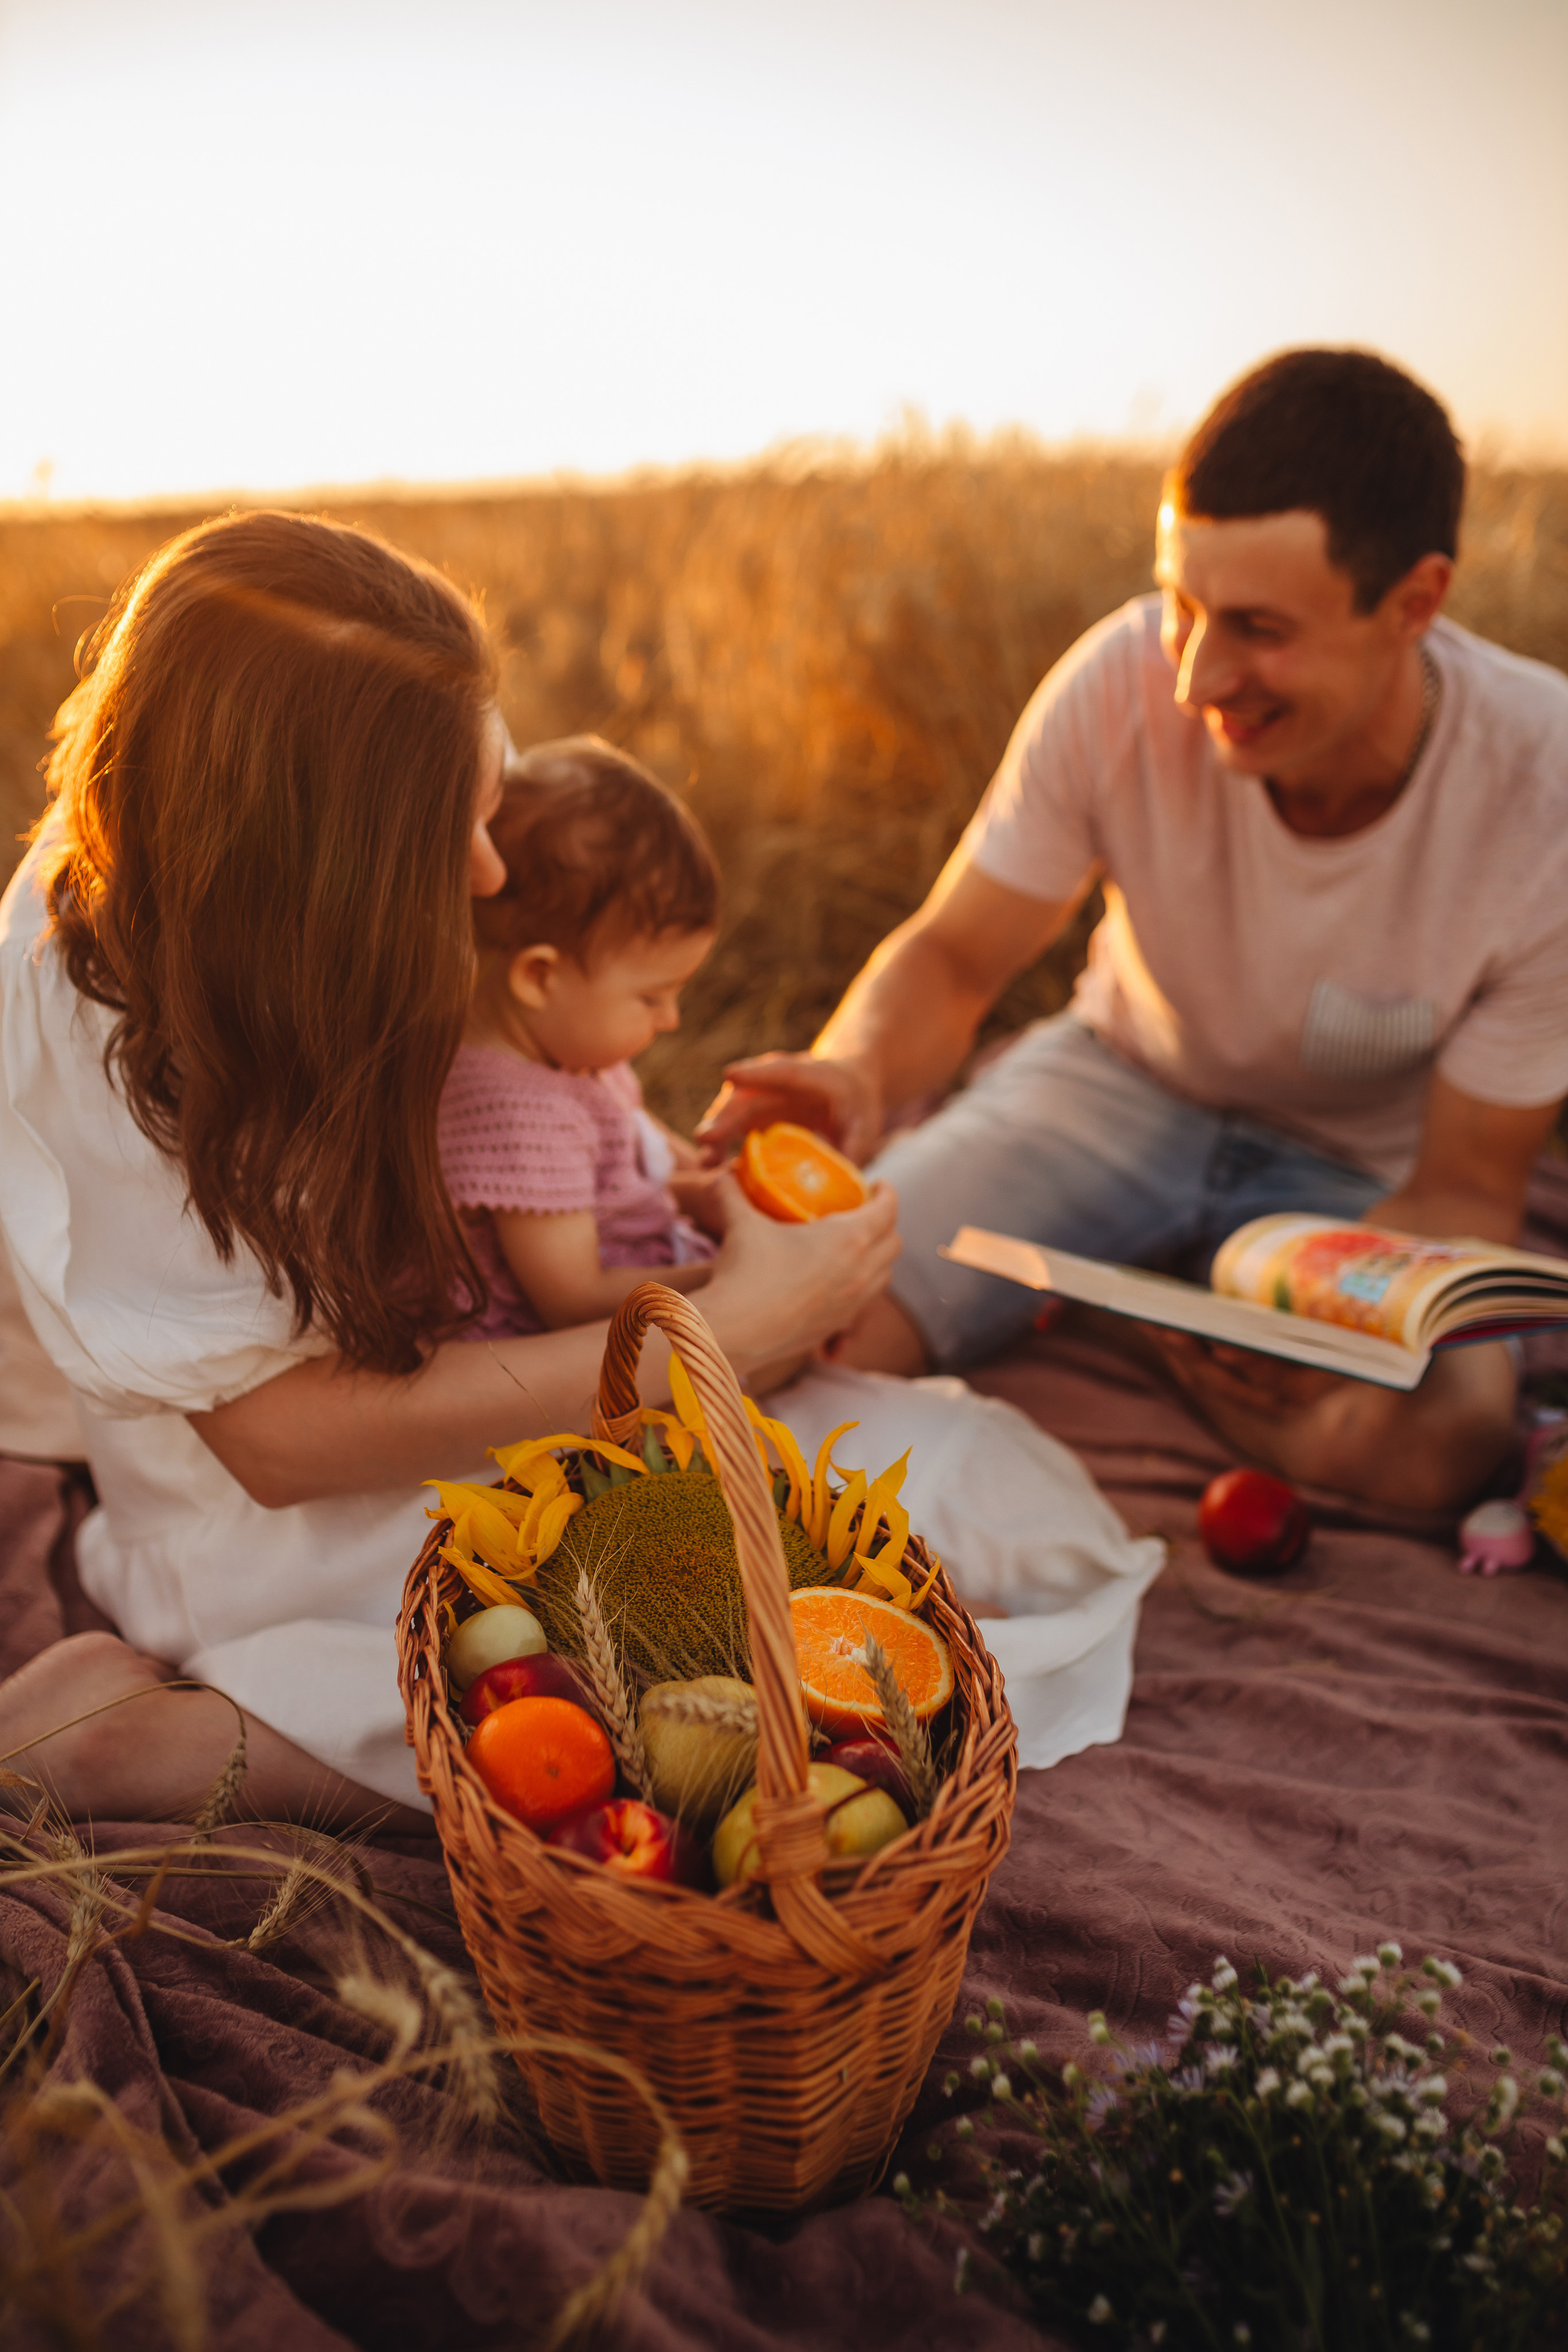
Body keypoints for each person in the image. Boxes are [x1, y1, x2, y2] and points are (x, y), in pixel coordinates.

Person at [0, 513, 899, 1830]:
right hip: (288, 1501)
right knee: (655, 1723)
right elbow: (278, 1442)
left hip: (458, 1334)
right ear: (309, 860)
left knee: (861, 1572)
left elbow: (523, 1061)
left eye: (488, 802)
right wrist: (720, 1332)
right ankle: (148, 1742)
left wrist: (671, 1176)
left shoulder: (413, 757)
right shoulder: (82, 1005)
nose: (489, 870)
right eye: (458, 830)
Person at [699, 349, 1568, 1513]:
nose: (1198, 675)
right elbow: (957, 955)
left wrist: (1308, 1309)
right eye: (1182, 606)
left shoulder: (1543, 786)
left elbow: (1466, 1189)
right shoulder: (1113, 682)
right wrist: (856, 1070)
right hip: (1117, 1081)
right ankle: (1153, 1292)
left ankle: (1141, 1313)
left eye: (1257, 628)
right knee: (812, 1328)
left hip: (1364, 1174)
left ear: (1416, 603)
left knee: (1439, 1448)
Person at [442, 736, 721, 1337]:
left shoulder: (570, 1048)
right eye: (651, 997)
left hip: (650, 1279)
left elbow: (634, 1157)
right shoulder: (517, 1118)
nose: (670, 1018)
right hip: (580, 1369)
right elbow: (573, 1300)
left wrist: (710, 1191)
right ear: (540, 976)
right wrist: (728, 1279)